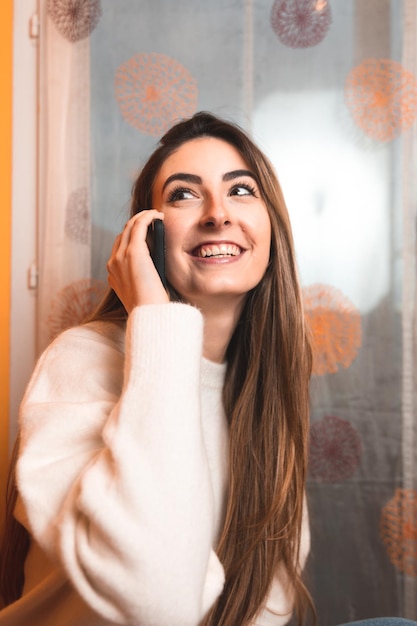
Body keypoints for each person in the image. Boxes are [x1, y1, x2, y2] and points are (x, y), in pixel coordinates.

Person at [0, 112, 415, 626]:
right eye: (183, 194)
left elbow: (265, 607)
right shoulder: (83, 361)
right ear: (144, 239)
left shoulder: (265, 392)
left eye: (241, 190)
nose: (218, 214)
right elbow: (155, 601)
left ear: (271, 230)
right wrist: (156, 320)